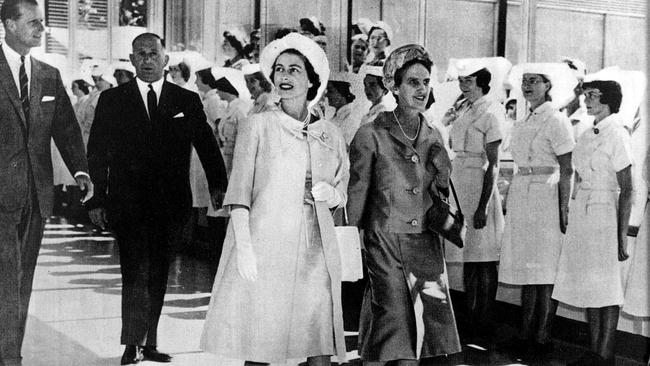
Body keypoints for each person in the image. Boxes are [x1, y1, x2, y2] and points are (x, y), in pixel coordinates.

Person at [201, 33, 348, 366]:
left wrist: (333, 194)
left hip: (314, 250)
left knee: (317, 341)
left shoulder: (330, 134)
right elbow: (239, 194)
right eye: (280, 69)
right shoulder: (257, 126)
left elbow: (343, 190)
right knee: (261, 342)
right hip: (266, 246)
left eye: (295, 70)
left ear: (313, 80)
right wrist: (246, 249)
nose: (284, 76)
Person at [85, 33, 228, 365]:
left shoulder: (186, 99)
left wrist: (219, 185)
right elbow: (97, 153)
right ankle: (131, 342)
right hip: (127, 203)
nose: (147, 60)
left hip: (170, 203)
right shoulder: (112, 100)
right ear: (132, 60)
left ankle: (149, 341)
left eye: (154, 54)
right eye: (141, 54)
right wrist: (97, 200)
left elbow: (206, 143)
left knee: (160, 271)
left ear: (165, 60)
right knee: (134, 270)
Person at [347, 44, 461, 365]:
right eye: (413, 82)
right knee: (395, 322)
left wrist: (441, 176)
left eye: (426, 82)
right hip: (384, 241)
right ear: (393, 86)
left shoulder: (435, 133)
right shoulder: (370, 133)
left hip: (426, 242)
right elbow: (357, 193)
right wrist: (354, 243)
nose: (422, 89)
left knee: (426, 327)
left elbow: (440, 194)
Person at [0, 1, 93, 364]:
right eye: (33, 23)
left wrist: (80, 170)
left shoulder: (49, 75)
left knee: (22, 280)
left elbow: (67, 128)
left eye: (42, 23)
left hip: (36, 196)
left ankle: (11, 354)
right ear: (8, 24)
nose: (42, 29)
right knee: (6, 278)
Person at [552, 79, 633, 366]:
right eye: (585, 95)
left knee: (607, 287)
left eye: (593, 95)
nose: (587, 100)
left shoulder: (618, 133)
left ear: (608, 99)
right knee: (590, 283)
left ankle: (605, 353)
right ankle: (594, 351)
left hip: (605, 214)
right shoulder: (587, 133)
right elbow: (576, 173)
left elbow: (628, 188)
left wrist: (622, 234)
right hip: (584, 212)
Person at [498, 63, 577, 355]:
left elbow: (568, 169)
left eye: (534, 81)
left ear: (548, 85)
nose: (528, 85)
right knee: (527, 270)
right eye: (525, 81)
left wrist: (564, 208)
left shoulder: (556, 120)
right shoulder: (524, 119)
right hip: (523, 194)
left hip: (546, 194)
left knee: (544, 271)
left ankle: (542, 338)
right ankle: (526, 335)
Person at [442, 63, 505, 342]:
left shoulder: (491, 111)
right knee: (468, 258)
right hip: (459, 185)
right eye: (461, 80)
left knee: (484, 260)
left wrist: (484, 205)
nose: (462, 84)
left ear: (481, 81)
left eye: (467, 80)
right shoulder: (464, 108)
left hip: (480, 187)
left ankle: (486, 320)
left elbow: (494, 163)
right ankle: (469, 318)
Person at [211, 66, 251, 175]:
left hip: (236, 154)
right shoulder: (228, 108)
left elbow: (244, 133)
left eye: (219, 90)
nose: (217, 93)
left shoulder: (240, 108)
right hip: (227, 152)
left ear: (226, 90)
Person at [326, 72, 363, 148]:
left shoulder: (351, 118)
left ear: (341, 93)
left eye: (330, 91)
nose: (327, 95)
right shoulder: (336, 116)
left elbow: (349, 149)